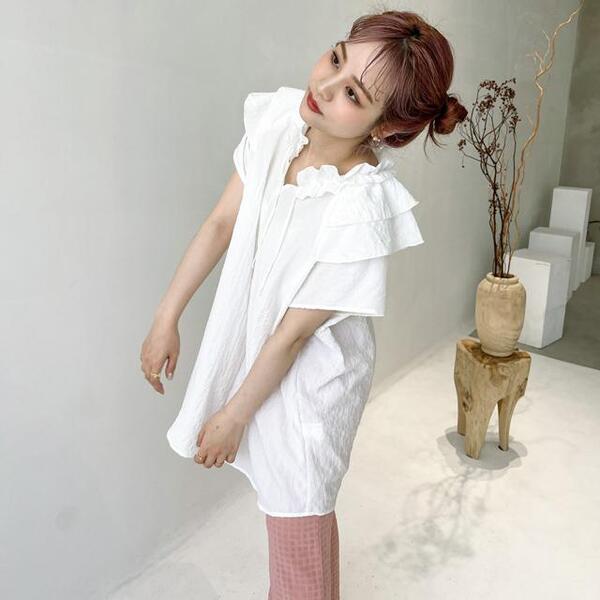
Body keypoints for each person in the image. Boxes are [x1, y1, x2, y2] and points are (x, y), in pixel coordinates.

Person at [140, 9, 467, 600]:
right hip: (263, 362)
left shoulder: (361, 204)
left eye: (353, 94)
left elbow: (293, 336)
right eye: (336, 57)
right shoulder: (278, 126)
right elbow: (220, 224)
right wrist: (167, 317)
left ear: (385, 128)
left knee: (299, 516)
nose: (325, 85)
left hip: (311, 386)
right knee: (297, 529)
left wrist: (234, 416)